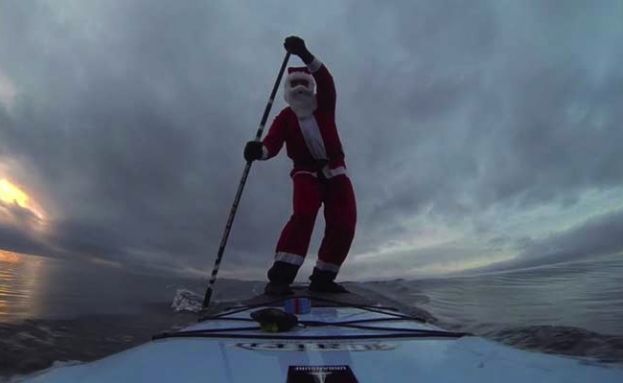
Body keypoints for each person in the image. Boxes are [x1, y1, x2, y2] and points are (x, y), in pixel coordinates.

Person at [244, 36, 357, 295]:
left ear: (311, 86)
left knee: (344, 221)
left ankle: (324, 278)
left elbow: (327, 80)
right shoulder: (284, 117)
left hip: (336, 170)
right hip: (305, 172)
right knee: (303, 216)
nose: (299, 88)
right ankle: (281, 277)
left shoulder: (324, 104)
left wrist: (305, 54)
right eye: (293, 83)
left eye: (304, 83)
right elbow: (271, 145)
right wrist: (257, 151)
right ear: (287, 88)